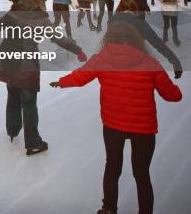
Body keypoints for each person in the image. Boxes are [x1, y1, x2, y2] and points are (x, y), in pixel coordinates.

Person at [51, 21, 182, 214]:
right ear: (135, 39)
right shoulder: (149, 63)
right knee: (142, 174)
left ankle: (109, 209)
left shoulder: (102, 59)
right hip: (143, 128)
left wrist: (61, 82)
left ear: (109, 38)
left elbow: (80, 76)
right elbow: (172, 96)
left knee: (112, 166)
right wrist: (177, 90)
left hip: (113, 125)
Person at [0, 0, 86, 157]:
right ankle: (33, 143)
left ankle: (12, 130)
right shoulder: (40, 18)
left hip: (7, 62)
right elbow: (58, 38)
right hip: (25, 65)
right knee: (29, 101)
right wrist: (77, 49)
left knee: (13, 94)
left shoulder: (12, 13)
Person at [111, 0, 183, 78]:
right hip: (136, 62)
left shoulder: (113, 20)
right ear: (134, 8)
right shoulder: (139, 22)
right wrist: (175, 61)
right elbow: (157, 43)